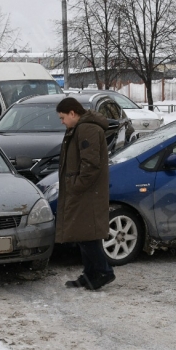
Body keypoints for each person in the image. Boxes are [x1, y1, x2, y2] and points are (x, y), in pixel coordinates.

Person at [54, 97, 115, 291]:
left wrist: (76, 186)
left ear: (73, 113)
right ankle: (91, 273)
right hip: (86, 191)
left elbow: (91, 165)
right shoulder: (80, 128)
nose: (62, 122)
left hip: (87, 192)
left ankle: (104, 272)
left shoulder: (87, 129)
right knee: (84, 233)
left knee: (86, 235)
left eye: (63, 117)